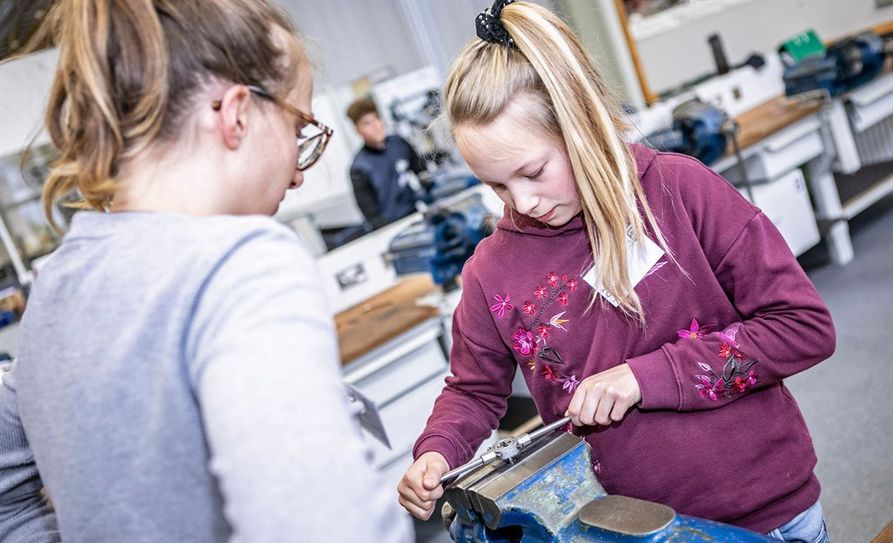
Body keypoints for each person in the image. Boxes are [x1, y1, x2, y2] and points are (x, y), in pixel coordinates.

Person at [397, 2, 834, 542]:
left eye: (533, 172)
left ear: (577, 123)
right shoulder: (491, 271)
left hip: (769, 512)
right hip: (630, 529)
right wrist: (438, 450)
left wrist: (644, 377)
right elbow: (473, 391)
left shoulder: (680, 191)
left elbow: (802, 327)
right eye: (498, 186)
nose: (523, 201)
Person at [11, 1, 413, 542]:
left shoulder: (55, 289)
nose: (297, 171)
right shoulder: (239, 262)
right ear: (237, 114)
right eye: (298, 129)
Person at [346, 97, 426, 229]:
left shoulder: (400, 144)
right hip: (392, 227)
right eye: (367, 124)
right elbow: (372, 215)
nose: (376, 126)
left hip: (416, 215)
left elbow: (422, 173)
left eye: (377, 119)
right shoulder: (359, 168)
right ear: (357, 131)